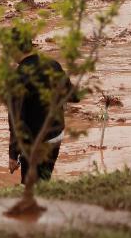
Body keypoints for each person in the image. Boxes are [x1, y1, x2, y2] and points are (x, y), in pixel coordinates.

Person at [7, 34, 79, 184]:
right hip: (56, 134)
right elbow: (74, 96)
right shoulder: (52, 65)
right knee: (45, 179)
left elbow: (16, 120)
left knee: (29, 184)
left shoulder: (17, 78)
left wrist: (13, 154)